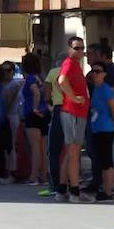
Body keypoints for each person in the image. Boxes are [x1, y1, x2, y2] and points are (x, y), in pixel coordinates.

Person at [84, 44, 114, 196]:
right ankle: (105, 185)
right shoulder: (101, 84)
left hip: (107, 124)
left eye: (91, 54)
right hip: (101, 124)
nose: (94, 74)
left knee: (109, 157)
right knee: (103, 156)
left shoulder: (107, 81)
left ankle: (113, 187)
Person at [56, 37, 92, 203]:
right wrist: (74, 98)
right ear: (69, 48)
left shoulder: (74, 64)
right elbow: (61, 81)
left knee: (71, 153)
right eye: (77, 48)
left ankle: (62, 190)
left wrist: (68, 96)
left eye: (82, 48)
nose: (80, 51)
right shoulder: (70, 63)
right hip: (74, 113)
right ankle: (75, 192)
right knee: (74, 153)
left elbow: (58, 83)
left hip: (74, 112)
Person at [87, 62, 114, 202]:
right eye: (93, 71)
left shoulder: (106, 89)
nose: (95, 73)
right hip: (97, 128)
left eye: (98, 71)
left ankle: (108, 192)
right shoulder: (95, 89)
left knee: (107, 161)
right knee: (102, 160)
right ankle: (104, 189)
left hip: (106, 129)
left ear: (104, 74)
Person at [21, 53, 50, 189]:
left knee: (35, 147)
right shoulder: (41, 78)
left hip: (33, 114)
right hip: (44, 113)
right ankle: (43, 176)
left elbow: (36, 93)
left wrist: (34, 108)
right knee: (43, 148)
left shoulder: (30, 78)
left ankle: (33, 176)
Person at [44, 53, 68, 194]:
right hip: (74, 110)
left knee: (53, 150)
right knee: (72, 150)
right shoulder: (75, 72)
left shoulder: (53, 73)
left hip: (59, 109)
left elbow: (47, 95)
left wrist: (50, 106)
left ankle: (55, 185)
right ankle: (70, 182)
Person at [1, 61, 24, 180]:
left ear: (13, 71)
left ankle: (11, 171)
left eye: (8, 70)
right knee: (3, 145)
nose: (5, 73)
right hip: (2, 116)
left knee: (10, 144)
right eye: (3, 70)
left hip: (12, 115)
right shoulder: (0, 84)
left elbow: (9, 102)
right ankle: (5, 170)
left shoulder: (15, 85)